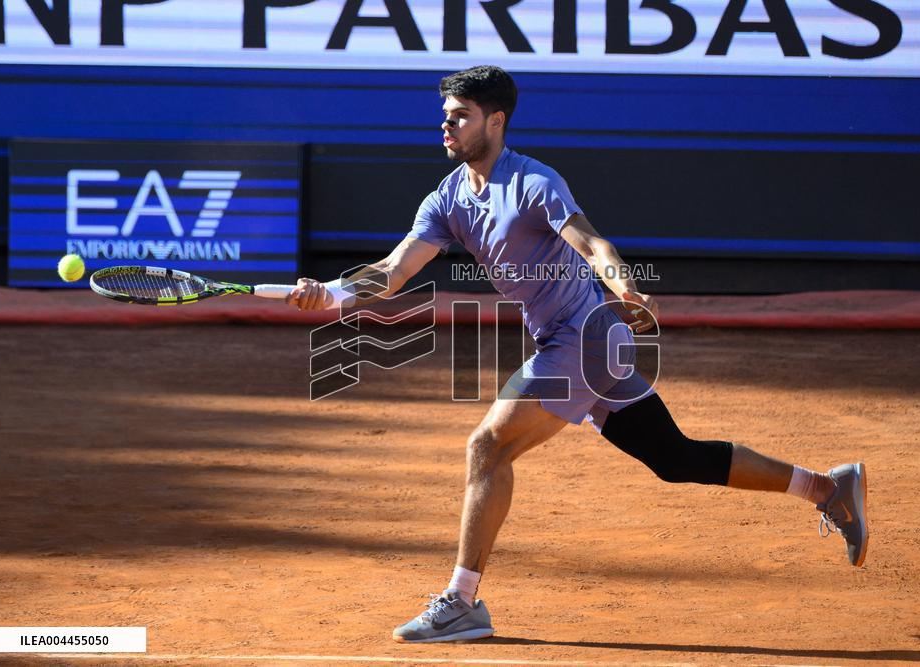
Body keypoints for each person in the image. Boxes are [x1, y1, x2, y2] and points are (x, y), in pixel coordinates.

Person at [288, 65, 869, 644]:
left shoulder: (534, 183)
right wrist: (333, 293)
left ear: (496, 120)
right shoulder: (447, 199)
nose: (446, 126)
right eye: (445, 116)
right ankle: (826, 488)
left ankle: (462, 601)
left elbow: (592, 243)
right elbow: (392, 272)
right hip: (572, 342)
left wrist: (626, 288)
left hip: (584, 337)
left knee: (488, 447)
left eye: (459, 116)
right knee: (674, 457)